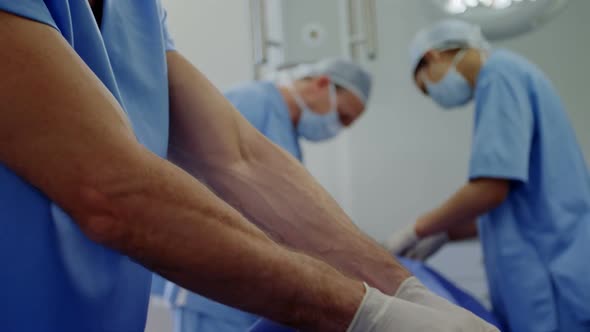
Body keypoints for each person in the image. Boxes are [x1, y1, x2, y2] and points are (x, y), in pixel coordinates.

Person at [0, 1, 498, 331]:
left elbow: (239, 157)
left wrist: (403, 289)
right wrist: (368, 313)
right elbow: (108, 186)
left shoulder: (139, 12)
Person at [384, 19, 590, 332]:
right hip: (556, 267)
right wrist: (447, 233)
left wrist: (418, 229)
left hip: (549, 282)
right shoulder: (515, 75)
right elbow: (517, 211)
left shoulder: (499, 74)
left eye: (427, 87)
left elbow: (489, 189)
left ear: (432, 56)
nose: (435, 97)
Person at [154, 59, 372, 332]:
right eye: (341, 116)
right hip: (211, 287)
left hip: (249, 288)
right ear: (321, 84)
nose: (336, 128)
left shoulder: (288, 138)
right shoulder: (251, 101)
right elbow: (195, 177)